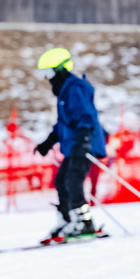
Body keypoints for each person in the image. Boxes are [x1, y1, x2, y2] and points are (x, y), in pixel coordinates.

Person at [34, 48, 107, 242]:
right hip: (73, 145)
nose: (46, 79)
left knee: (73, 181)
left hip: (84, 144)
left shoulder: (76, 88)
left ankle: (84, 222)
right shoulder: (65, 91)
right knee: (61, 181)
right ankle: (68, 219)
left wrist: (83, 138)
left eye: (48, 73)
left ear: (59, 69)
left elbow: (86, 115)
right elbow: (64, 123)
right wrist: (48, 142)